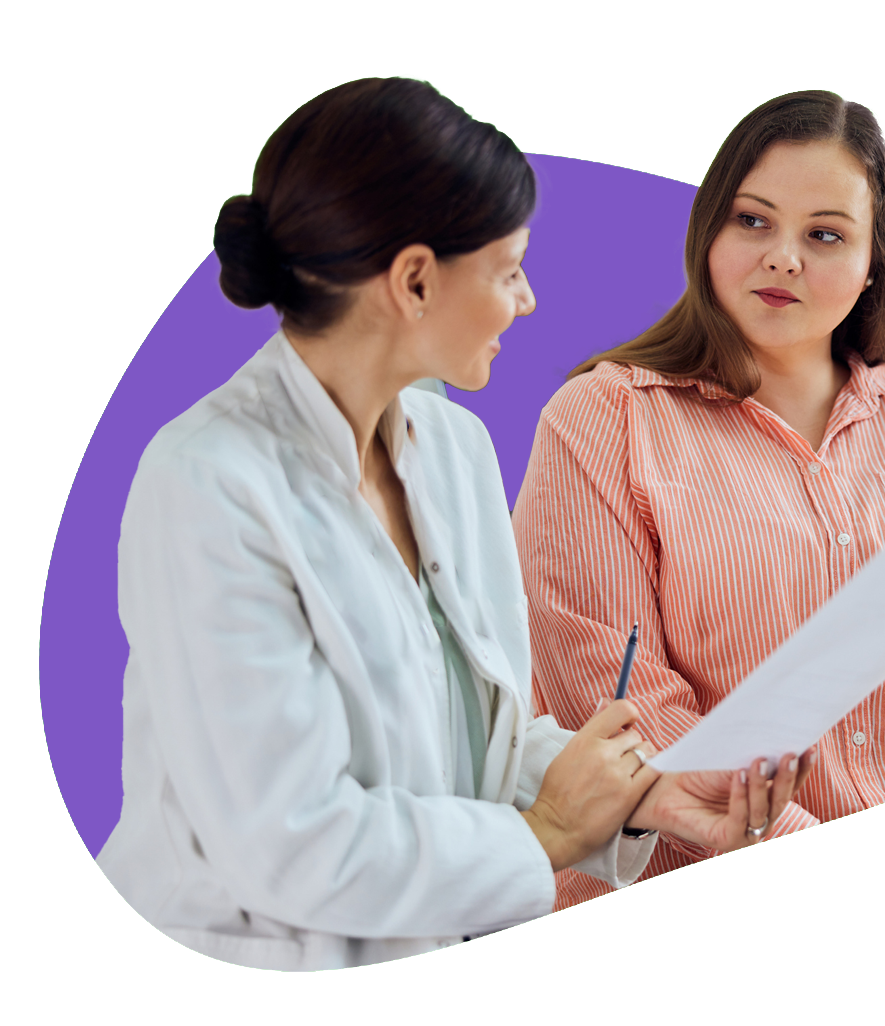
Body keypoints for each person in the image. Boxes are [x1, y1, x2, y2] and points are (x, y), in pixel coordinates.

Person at [96, 76, 816, 971]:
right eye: (509, 270)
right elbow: (288, 844)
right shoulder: (206, 484)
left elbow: (468, 745)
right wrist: (548, 833)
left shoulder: (452, 449)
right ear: (414, 281)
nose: (528, 301)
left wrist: (646, 794)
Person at [512, 89, 885, 911]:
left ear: (873, 261)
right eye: (752, 220)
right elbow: (617, 704)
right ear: (707, 229)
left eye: (824, 234)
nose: (783, 256)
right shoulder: (606, 419)